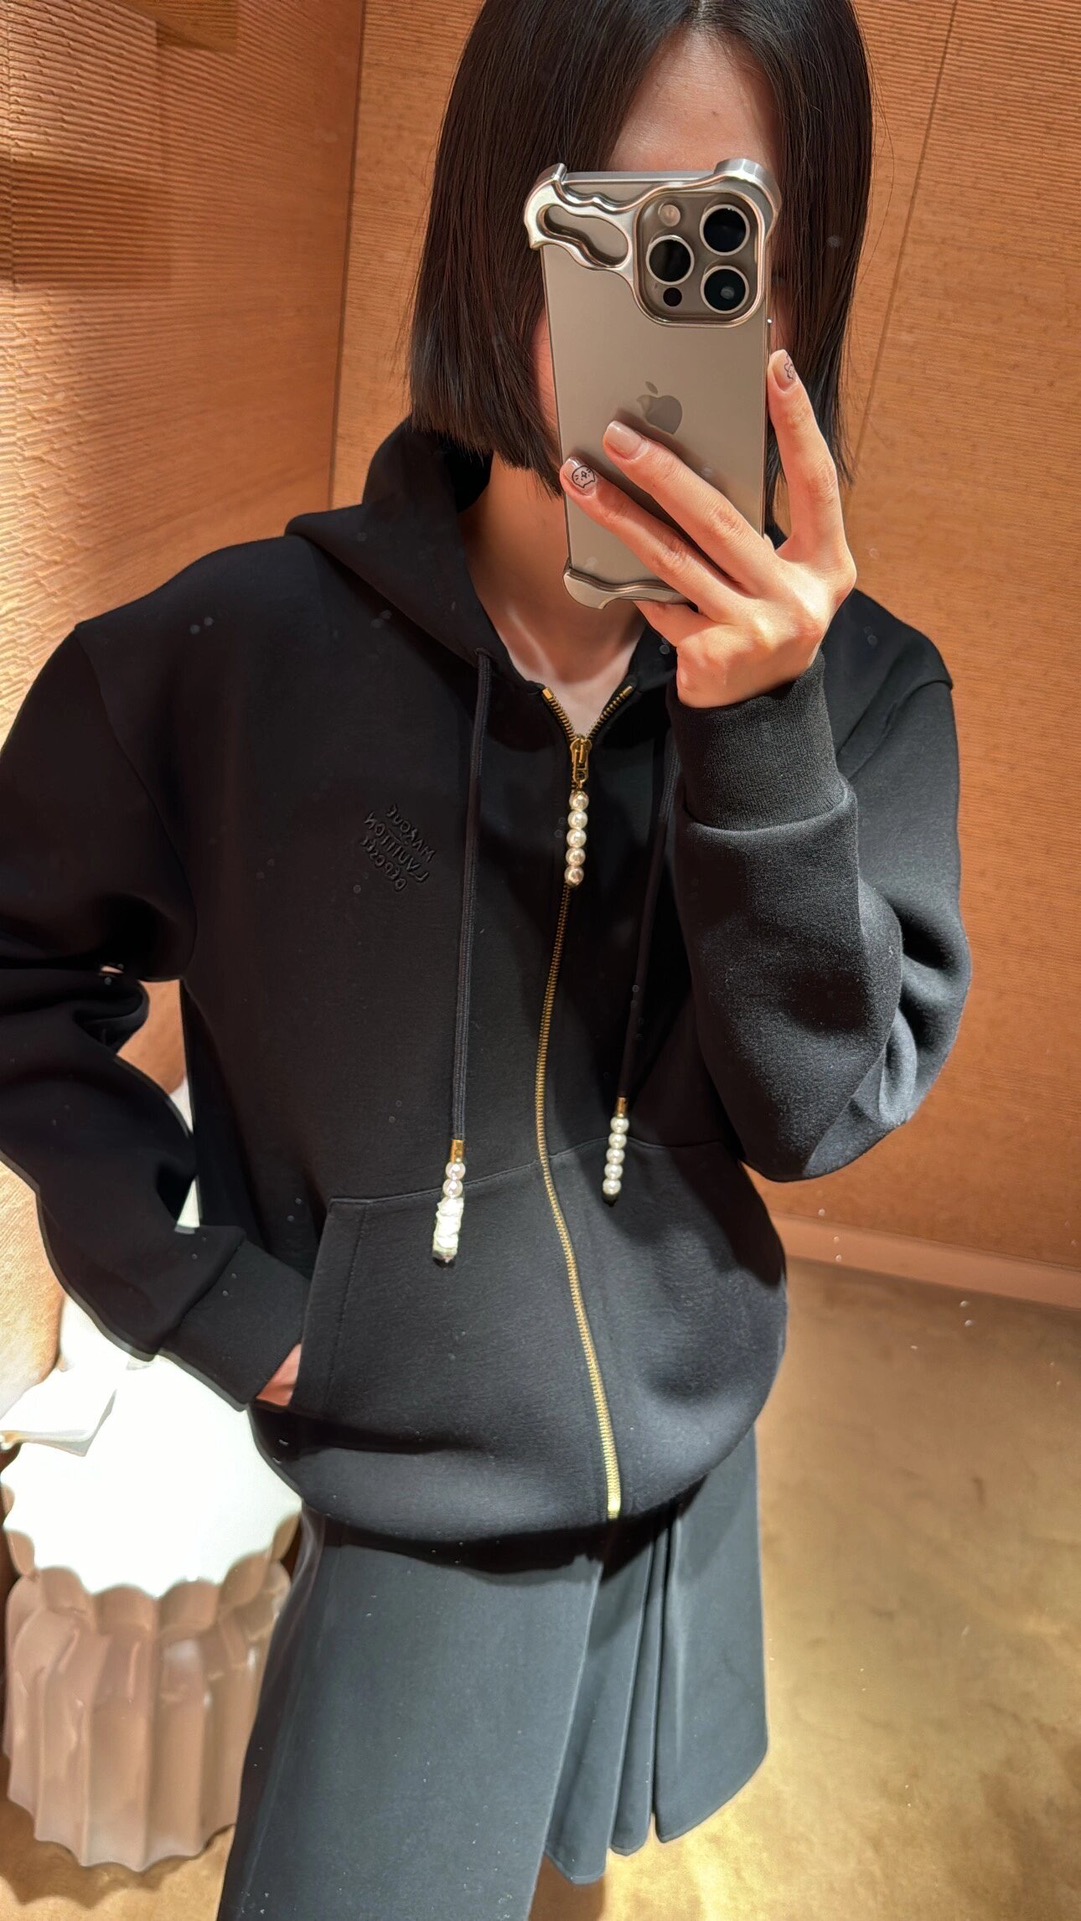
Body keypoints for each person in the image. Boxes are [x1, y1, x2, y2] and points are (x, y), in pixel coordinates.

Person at [0, 2, 972, 1916]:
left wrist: (760, 741)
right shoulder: (235, 661)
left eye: (725, 244)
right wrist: (207, 1295)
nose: (658, 306)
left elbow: (815, 1115)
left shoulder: (865, 700)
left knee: (567, 1870)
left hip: (686, 1452)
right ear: (483, 228)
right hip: (415, 1501)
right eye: (601, 228)